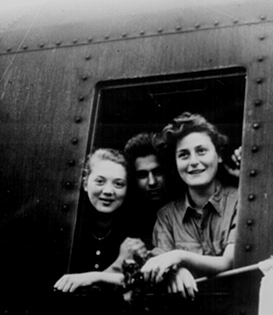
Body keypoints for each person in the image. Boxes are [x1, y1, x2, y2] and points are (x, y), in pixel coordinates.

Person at [140, 112, 239, 299]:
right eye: (184, 155)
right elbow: (159, 262)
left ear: (218, 155)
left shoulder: (239, 201)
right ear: (175, 163)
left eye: (201, 151)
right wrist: (175, 272)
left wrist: (179, 257)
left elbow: (228, 262)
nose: (194, 162)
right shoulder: (167, 215)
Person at [53, 148, 146, 293]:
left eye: (118, 184)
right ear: (85, 183)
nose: (108, 191)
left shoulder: (135, 231)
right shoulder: (67, 225)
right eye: (100, 181)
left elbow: (138, 284)